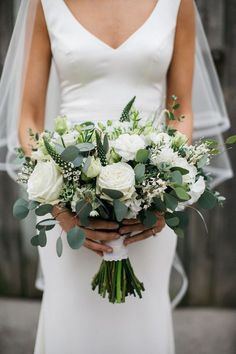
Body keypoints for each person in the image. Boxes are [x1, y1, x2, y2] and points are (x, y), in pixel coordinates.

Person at [0, 0, 233, 353]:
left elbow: (181, 109)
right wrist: (60, 207)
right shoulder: (44, 2)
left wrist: (163, 188)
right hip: (68, 207)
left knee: (141, 331)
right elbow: (29, 118)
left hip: (149, 212)